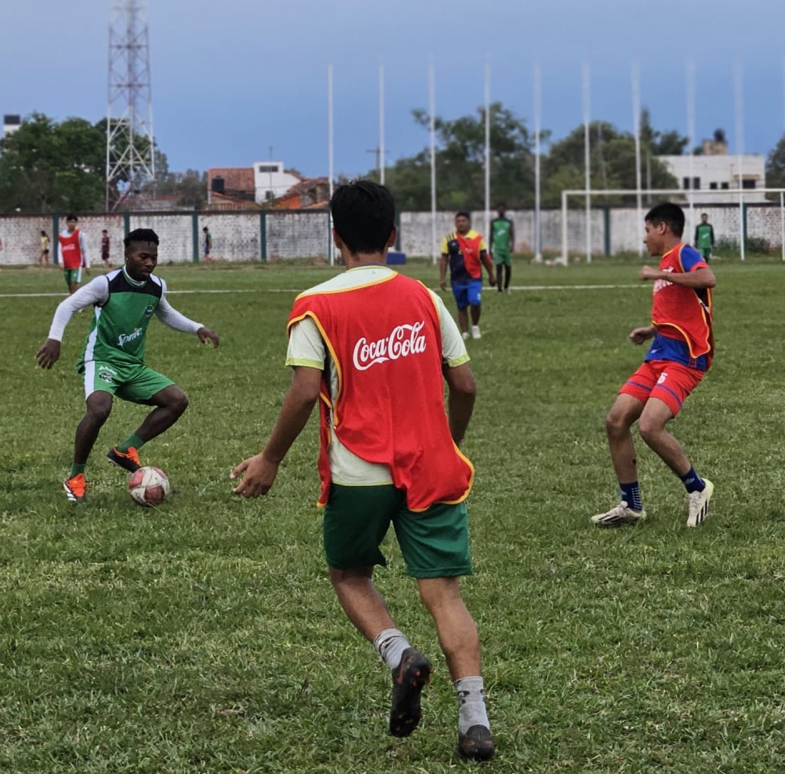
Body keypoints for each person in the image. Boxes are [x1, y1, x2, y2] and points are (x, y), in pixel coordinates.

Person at [230, 181, 494, 762]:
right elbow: (466, 384)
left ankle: (400, 656)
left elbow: (304, 393)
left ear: (336, 237)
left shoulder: (315, 305)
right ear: (393, 236)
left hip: (359, 473)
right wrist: (448, 443)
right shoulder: (426, 297)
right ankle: (475, 718)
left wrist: (270, 459)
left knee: (349, 575)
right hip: (431, 470)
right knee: (443, 593)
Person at [35, 228, 220, 503]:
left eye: (153, 257)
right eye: (143, 256)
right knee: (99, 409)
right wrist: (54, 339)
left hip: (133, 366)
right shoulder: (106, 284)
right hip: (101, 360)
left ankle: (126, 449)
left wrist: (197, 328)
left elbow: (166, 313)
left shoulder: (156, 286)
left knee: (176, 401)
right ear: (128, 255)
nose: (149, 263)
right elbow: (67, 306)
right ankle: (76, 477)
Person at [592, 202, 716, 529]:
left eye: (647, 230)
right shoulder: (667, 264)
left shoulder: (681, 254)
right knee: (616, 420)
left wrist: (663, 274)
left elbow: (708, 277)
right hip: (658, 353)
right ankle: (630, 505)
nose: (645, 238)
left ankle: (698, 488)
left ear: (662, 227)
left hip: (685, 358)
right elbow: (679, 311)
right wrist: (651, 330)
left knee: (649, 426)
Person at [439, 212, 494, 340]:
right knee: (461, 305)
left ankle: (475, 326)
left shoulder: (477, 238)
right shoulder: (449, 239)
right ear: (455, 223)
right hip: (457, 278)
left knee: (475, 301)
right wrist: (442, 278)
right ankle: (464, 332)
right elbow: (444, 259)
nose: (461, 223)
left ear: (468, 222)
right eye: (458, 221)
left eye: (464, 220)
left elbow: (484, 258)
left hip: (474, 277)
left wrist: (491, 275)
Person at [58, 215, 91, 294]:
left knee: (73, 285)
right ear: (66, 223)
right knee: (70, 286)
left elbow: (85, 250)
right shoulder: (62, 235)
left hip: (76, 264)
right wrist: (60, 261)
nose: (71, 224)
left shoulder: (80, 234)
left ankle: (74, 305)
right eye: (69, 222)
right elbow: (59, 248)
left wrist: (88, 265)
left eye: (73, 222)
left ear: (76, 223)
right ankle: (77, 303)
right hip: (66, 264)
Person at [490, 204, 515, 294]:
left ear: (505, 210)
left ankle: (506, 287)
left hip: (506, 249)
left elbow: (512, 234)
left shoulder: (509, 222)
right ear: (497, 210)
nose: (501, 211)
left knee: (508, 269)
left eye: (502, 209)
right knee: (499, 268)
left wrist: (512, 245)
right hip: (497, 249)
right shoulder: (494, 222)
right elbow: (491, 235)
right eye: (499, 209)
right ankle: (499, 289)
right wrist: (490, 248)